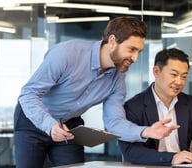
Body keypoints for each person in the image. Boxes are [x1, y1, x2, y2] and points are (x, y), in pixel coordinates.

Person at [13, 16, 179, 168]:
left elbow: (114, 121)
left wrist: (145, 131)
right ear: (112, 41)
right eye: (131, 50)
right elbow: (28, 94)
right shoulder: (66, 54)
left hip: (69, 126)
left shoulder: (118, 78)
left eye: (139, 52)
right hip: (33, 120)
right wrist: (50, 126)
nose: (135, 58)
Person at [118, 48, 192, 166]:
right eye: (174, 75)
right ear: (156, 72)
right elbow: (131, 152)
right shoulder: (133, 107)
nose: (179, 82)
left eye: (183, 76)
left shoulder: (191, 104)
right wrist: (171, 158)